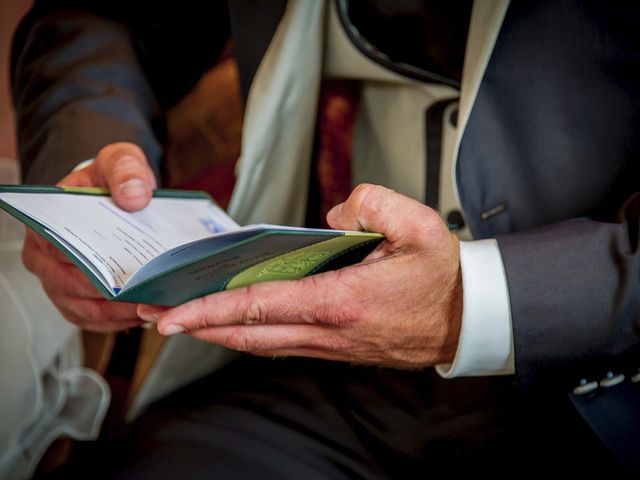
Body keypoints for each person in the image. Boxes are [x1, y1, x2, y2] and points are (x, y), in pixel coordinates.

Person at [11, 0, 640, 476]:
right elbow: (100, 14)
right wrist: (91, 176)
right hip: (323, 371)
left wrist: (469, 304)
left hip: (601, 394)